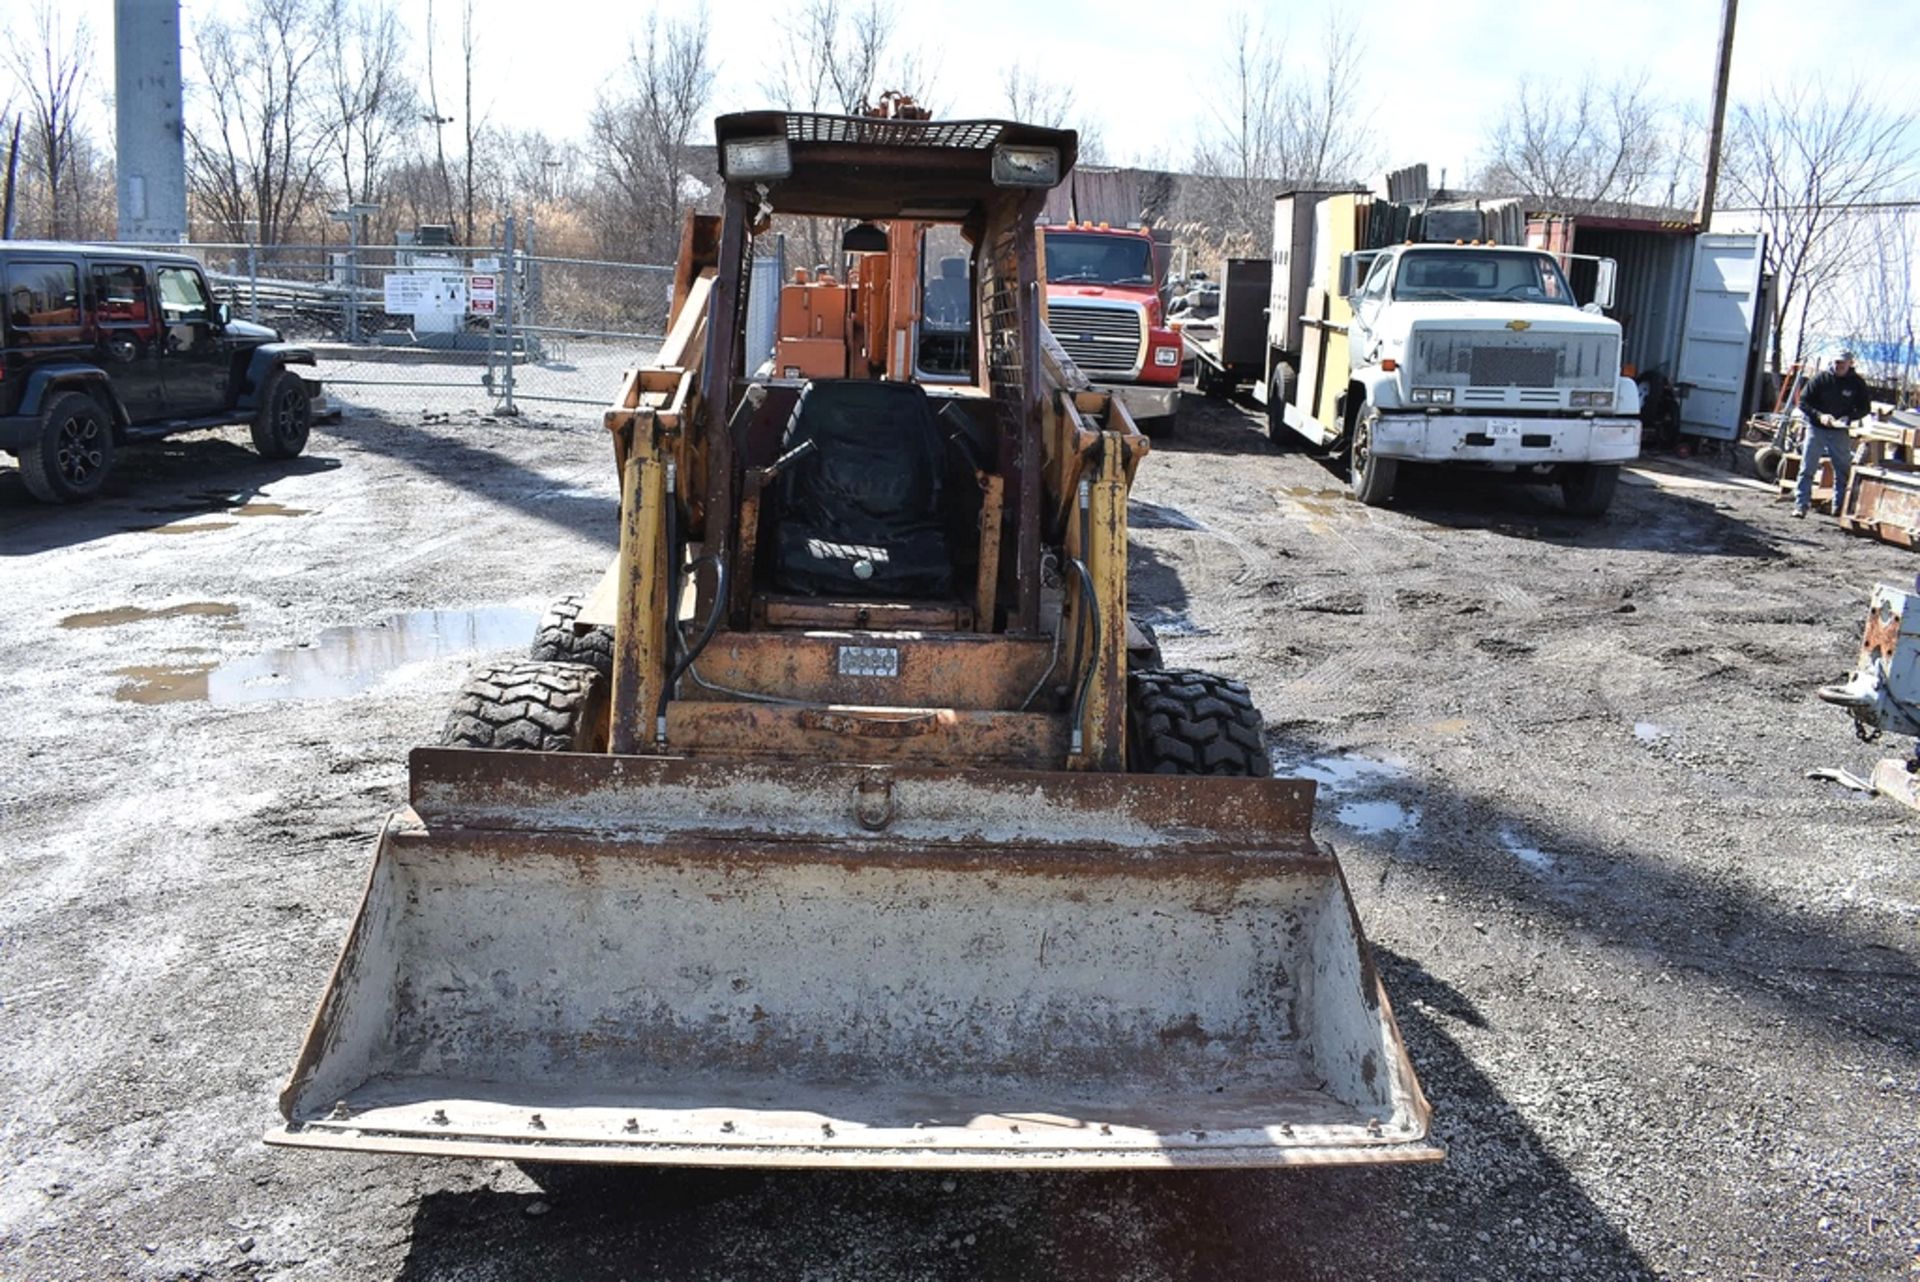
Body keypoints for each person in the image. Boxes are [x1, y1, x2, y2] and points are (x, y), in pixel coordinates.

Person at [1793, 349, 1871, 518]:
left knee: (1842, 470)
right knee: (1807, 467)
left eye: (1842, 363)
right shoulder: (1821, 379)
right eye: (1836, 362)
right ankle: (1801, 505)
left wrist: (1849, 417)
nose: (1839, 366)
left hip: (1839, 431)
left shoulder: (1857, 383)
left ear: (1850, 363)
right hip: (1817, 428)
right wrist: (1820, 416)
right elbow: (1804, 402)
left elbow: (1865, 408)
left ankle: (1839, 507)